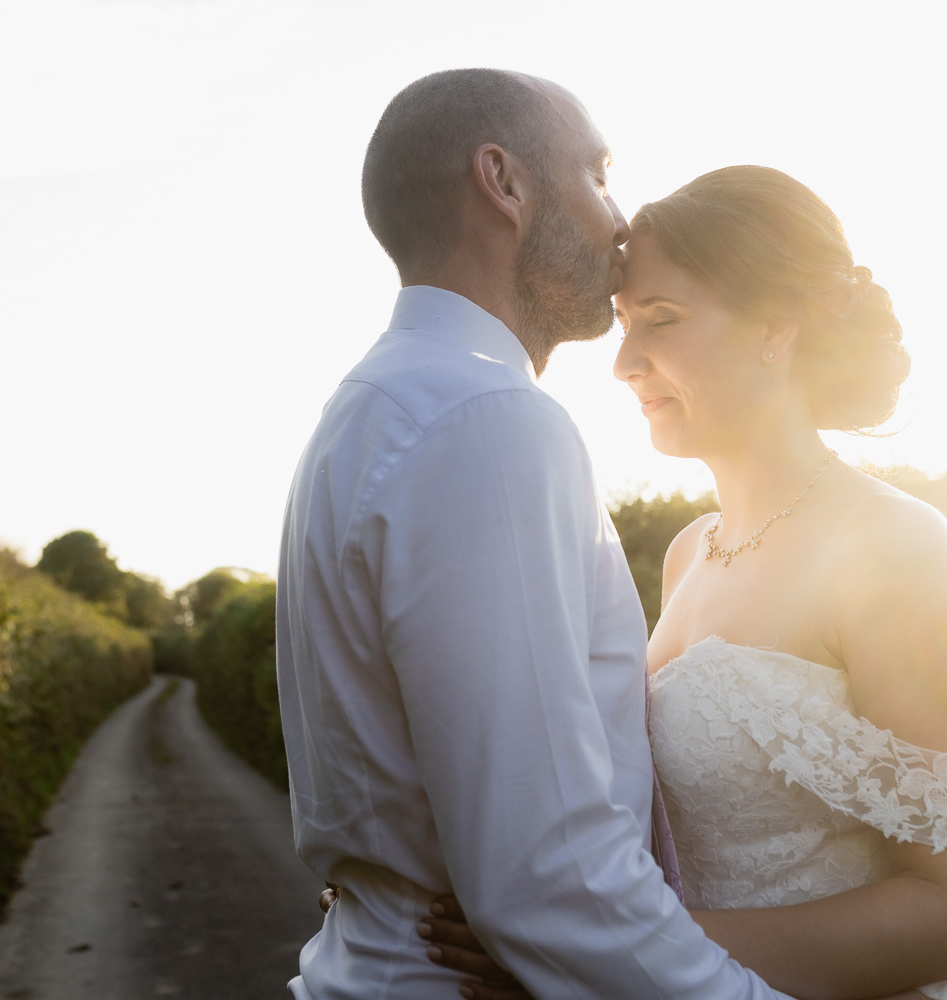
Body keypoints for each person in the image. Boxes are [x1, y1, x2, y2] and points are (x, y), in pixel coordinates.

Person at [420, 166, 947, 1000]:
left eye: (662, 321)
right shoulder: (688, 552)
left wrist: (611, 958)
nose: (625, 362)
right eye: (625, 324)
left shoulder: (894, 545)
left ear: (774, 328)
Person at [275, 71, 797, 999]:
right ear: (503, 182)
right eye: (598, 174)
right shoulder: (487, 417)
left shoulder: (369, 407)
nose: (620, 218)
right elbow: (551, 870)